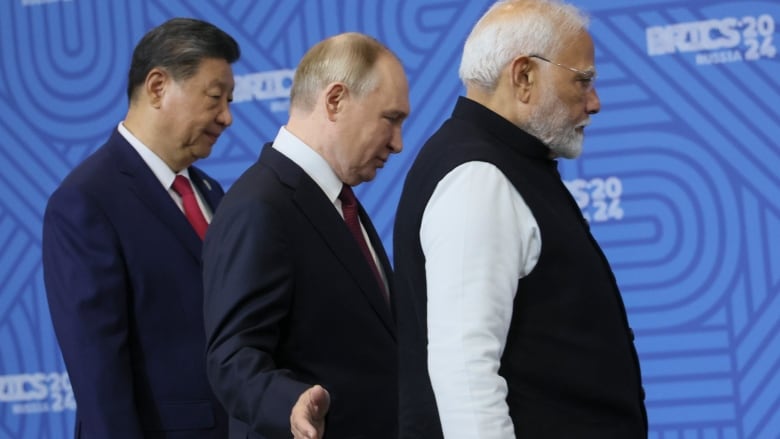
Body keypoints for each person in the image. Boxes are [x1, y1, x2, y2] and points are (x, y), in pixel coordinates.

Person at [393, 0, 648, 438]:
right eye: (582, 81)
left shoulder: (502, 163)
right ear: (524, 76)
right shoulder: (478, 178)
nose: (595, 102)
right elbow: (466, 371)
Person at [202, 32, 409, 439]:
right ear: (335, 101)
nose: (398, 144)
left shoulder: (336, 198)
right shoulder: (260, 205)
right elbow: (231, 355)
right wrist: (289, 403)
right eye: (390, 119)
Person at [41, 18, 240, 438]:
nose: (226, 117)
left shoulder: (210, 191)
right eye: (215, 98)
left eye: (230, 101)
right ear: (157, 87)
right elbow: (98, 373)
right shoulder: (86, 200)